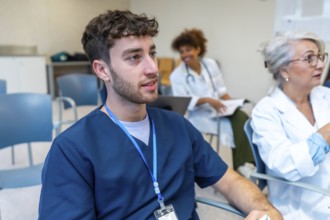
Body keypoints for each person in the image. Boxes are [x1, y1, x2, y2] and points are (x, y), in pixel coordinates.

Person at [38, 10, 282, 220]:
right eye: (135, 57)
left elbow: (228, 181)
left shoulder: (177, 126)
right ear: (102, 70)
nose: (153, 68)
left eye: (151, 54)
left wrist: (266, 211)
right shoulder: (72, 149)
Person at [251, 31, 330, 219]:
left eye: (320, 56)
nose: (320, 64)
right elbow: (285, 165)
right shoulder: (266, 111)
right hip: (304, 206)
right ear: (284, 70)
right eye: (309, 58)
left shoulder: (324, 96)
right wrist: (326, 132)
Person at [170, 28, 254, 171]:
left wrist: (234, 103)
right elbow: (185, 101)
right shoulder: (177, 76)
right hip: (199, 115)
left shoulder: (210, 65)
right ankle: (244, 164)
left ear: (198, 49)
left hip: (218, 108)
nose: (184, 55)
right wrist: (209, 100)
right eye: (181, 51)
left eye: (188, 50)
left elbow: (221, 91)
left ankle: (245, 163)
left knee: (242, 115)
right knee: (239, 122)